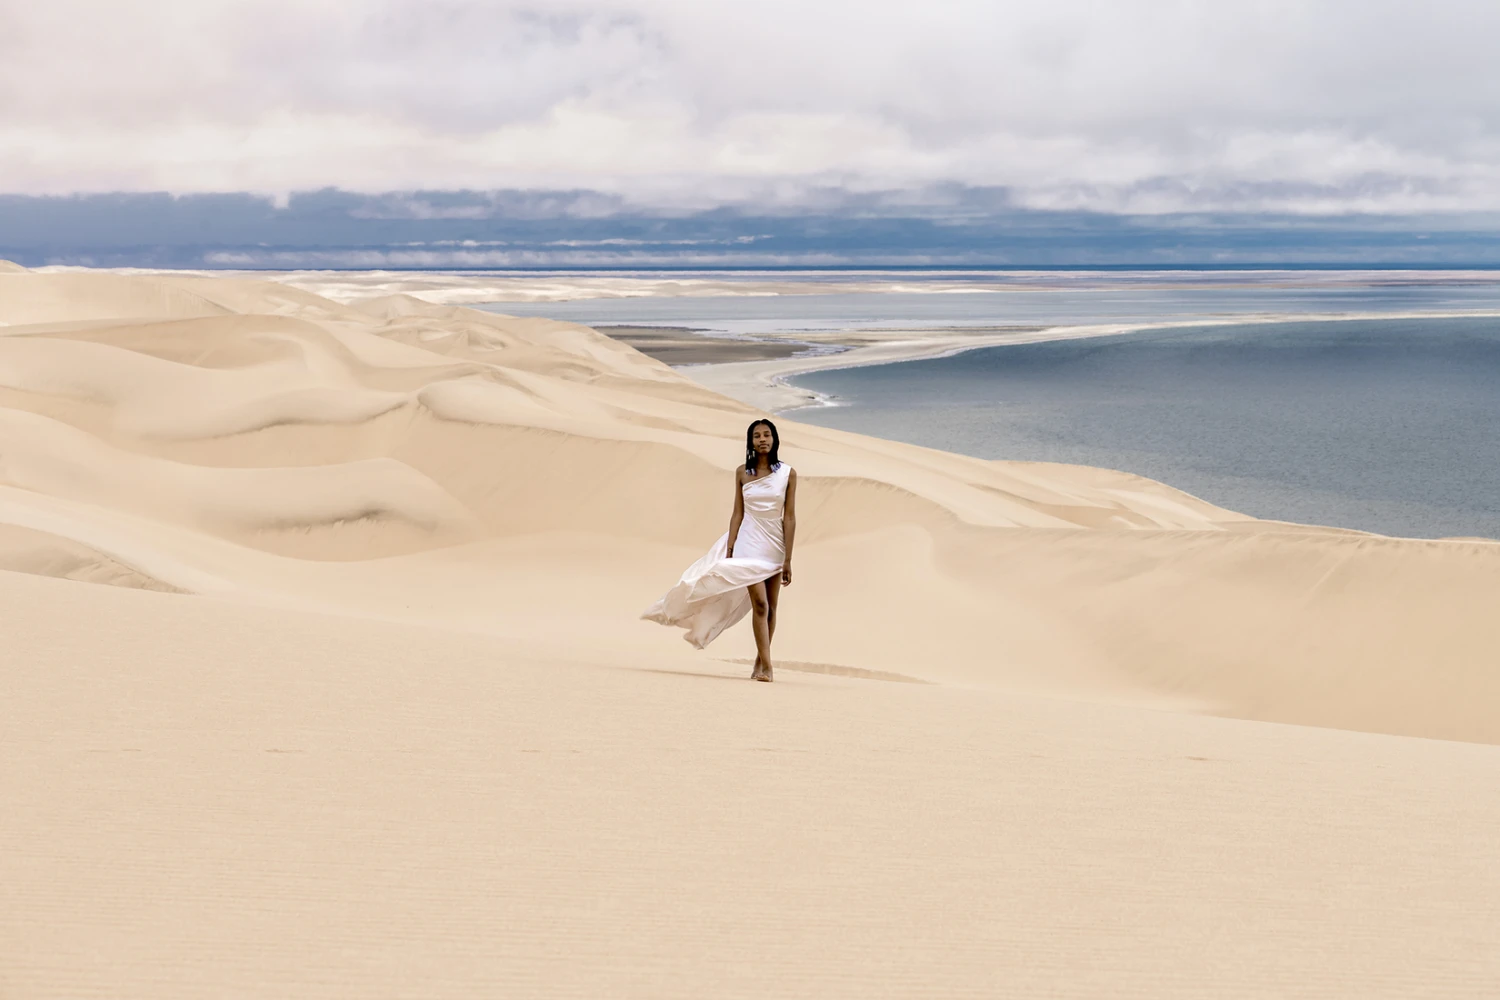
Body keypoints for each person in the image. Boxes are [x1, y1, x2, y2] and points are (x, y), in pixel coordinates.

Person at [641, 418, 798, 681]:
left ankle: (760, 662)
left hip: (774, 544)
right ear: (750, 442)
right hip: (749, 543)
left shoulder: (788, 473)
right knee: (759, 604)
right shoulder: (741, 473)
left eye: (766, 434)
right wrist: (731, 545)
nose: (762, 439)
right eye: (757, 436)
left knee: (771, 607)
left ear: (774, 439)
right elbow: (737, 513)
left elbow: (789, 517)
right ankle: (768, 668)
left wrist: (788, 559)